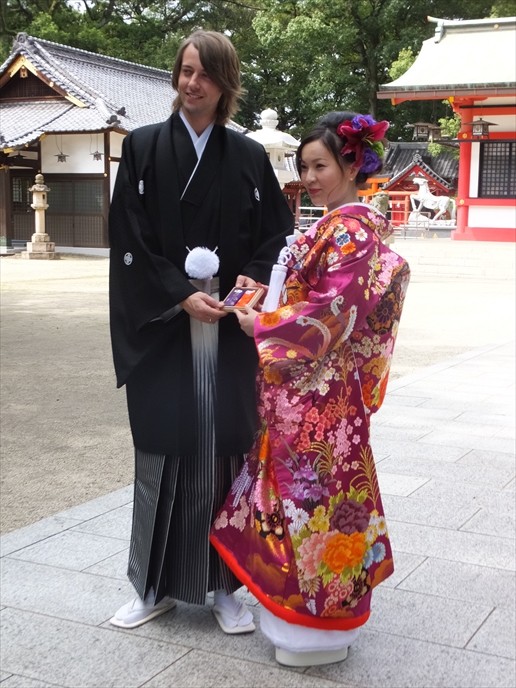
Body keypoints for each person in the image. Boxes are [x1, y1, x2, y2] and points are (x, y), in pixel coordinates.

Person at [108, 30, 294, 633]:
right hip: (165, 325)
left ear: (225, 84)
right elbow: (129, 241)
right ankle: (152, 586)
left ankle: (225, 590)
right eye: (185, 71)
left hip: (230, 328)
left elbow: (276, 236)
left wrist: (249, 284)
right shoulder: (140, 148)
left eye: (205, 75)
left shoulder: (246, 158)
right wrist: (176, 293)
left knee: (224, 454)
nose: (192, 84)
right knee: (163, 451)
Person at [210, 111, 410, 664]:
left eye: (320, 165)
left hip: (320, 394)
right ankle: (302, 618)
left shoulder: (351, 230)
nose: (311, 176)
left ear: (352, 163)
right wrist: (263, 296)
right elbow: (306, 294)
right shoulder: (334, 227)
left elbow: (335, 310)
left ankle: (318, 623)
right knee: (303, 498)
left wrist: (266, 325)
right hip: (306, 390)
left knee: (314, 499)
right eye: (304, 167)